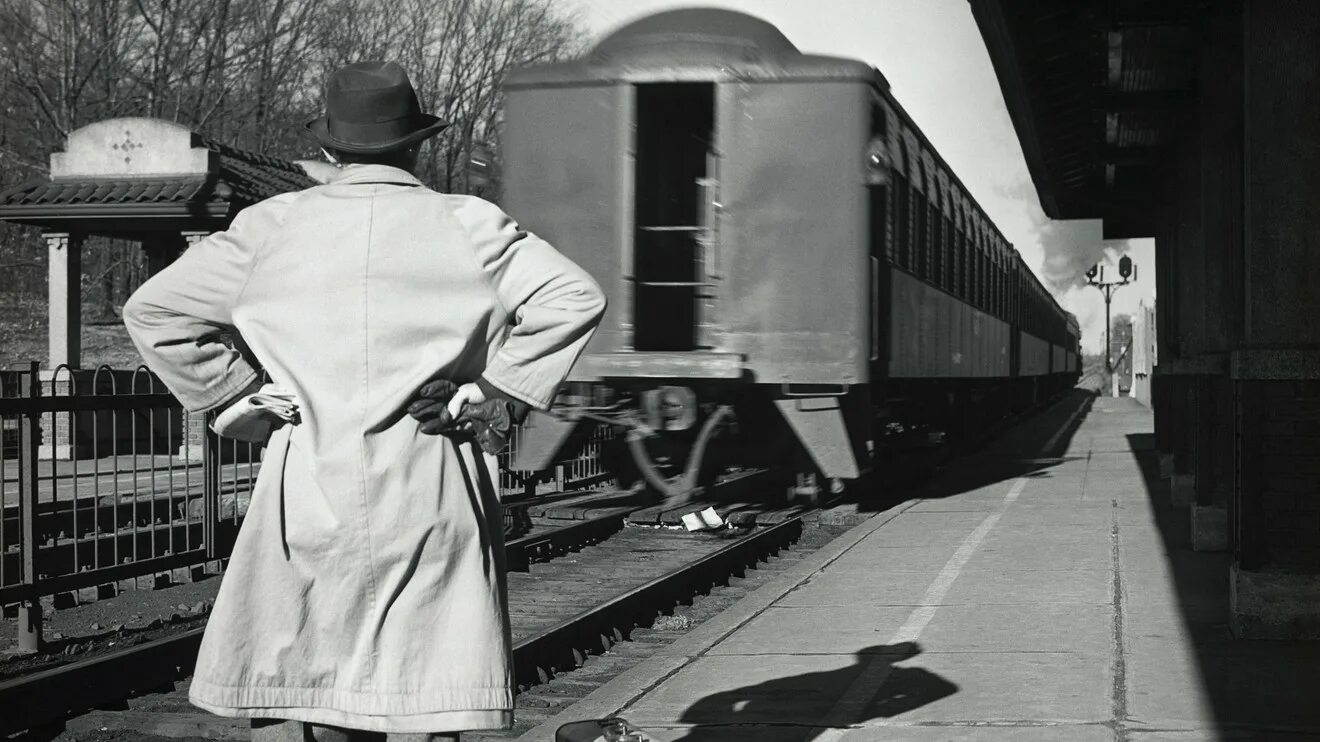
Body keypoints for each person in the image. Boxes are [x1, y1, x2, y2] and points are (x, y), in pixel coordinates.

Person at [122, 61, 607, 741]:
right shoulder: (471, 225)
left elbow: (154, 311)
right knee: (422, 687)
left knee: (307, 682)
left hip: (306, 481)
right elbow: (574, 297)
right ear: (416, 144)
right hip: (431, 477)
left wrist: (239, 399)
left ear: (328, 147)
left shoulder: (272, 228)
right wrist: (491, 391)